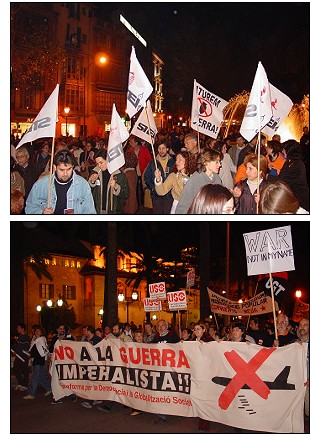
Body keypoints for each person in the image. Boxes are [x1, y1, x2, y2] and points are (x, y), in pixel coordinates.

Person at [25, 150, 96, 214]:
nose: (65, 174)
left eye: (68, 169)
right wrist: (42, 213)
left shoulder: (82, 184)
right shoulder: (41, 184)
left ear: (73, 166)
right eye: (61, 170)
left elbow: (90, 211)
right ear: (54, 167)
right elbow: (29, 208)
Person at [175, 148, 223, 214]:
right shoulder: (195, 179)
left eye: (219, 162)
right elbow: (183, 205)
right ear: (206, 162)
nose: (220, 165)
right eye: (216, 162)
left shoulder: (217, 179)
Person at [151, 320, 180, 423]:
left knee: (170, 391)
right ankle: (161, 414)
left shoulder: (173, 336)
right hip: (159, 368)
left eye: (162, 325)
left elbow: (179, 349)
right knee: (160, 390)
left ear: (167, 326)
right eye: (158, 326)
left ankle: (172, 409)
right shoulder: (156, 337)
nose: (160, 327)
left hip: (171, 369)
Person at [88, 149, 129, 214]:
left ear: (108, 160)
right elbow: (88, 192)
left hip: (113, 211)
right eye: (97, 163)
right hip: (98, 210)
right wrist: (92, 182)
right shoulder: (95, 172)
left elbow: (125, 194)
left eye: (101, 162)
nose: (99, 165)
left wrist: (116, 186)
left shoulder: (118, 174)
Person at [144, 141, 175, 214]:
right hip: (156, 197)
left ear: (167, 149)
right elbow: (146, 177)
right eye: (159, 148)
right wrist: (153, 188)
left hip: (169, 195)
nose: (161, 151)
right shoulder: (153, 162)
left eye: (163, 148)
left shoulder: (173, 161)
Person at [279, 139, 309, 211]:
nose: (283, 152)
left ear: (290, 150)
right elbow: (281, 176)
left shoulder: (298, 164)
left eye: (284, 149)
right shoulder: (288, 162)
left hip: (300, 199)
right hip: (292, 197)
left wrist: (269, 177)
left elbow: (285, 180)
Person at [23, 326, 52, 400]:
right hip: (36, 360)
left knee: (34, 378)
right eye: (36, 331)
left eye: (38, 331)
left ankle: (31, 394)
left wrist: (31, 354)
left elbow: (43, 351)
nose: (36, 332)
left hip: (39, 360)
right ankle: (49, 388)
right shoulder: (34, 339)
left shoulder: (41, 339)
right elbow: (34, 349)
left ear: (41, 332)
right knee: (41, 377)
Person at [49, 324, 76, 405]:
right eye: (60, 329)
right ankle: (59, 397)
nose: (62, 330)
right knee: (57, 380)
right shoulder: (54, 338)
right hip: (57, 362)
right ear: (57, 330)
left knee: (68, 378)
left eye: (63, 329)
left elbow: (74, 347)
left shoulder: (69, 337)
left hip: (67, 363)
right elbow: (51, 349)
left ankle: (71, 393)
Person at [80, 325, 103, 409]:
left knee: (92, 382)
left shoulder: (98, 340)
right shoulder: (86, 340)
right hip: (88, 364)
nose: (84, 332)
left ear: (89, 331)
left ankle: (89, 401)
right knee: (91, 382)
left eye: (85, 330)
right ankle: (96, 398)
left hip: (96, 364)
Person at [127, 136, 152, 209]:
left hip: (143, 172)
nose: (130, 143)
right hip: (134, 173)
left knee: (143, 188)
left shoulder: (144, 149)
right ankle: (137, 204)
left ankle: (144, 203)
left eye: (131, 142)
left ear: (136, 143)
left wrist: (147, 171)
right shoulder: (130, 151)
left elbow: (149, 161)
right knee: (135, 189)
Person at [11, 323, 31, 391]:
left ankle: (24, 385)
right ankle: (21, 383)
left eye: (18, 328)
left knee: (24, 370)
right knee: (16, 369)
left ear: (22, 329)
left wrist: (14, 348)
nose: (17, 329)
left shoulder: (25, 337)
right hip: (19, 356)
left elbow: (21, 347)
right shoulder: (20, 336)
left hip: (23, 357)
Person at [297, 318, 309, 417]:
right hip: (298, 382)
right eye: (300, 325)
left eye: (305, 325)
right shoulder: (294, 343)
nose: (302, 327)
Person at [122, 148, 139, 214]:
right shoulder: (132, 172)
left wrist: (130, 210)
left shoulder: (128, 175)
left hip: (128, 206)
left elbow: (131, 194)